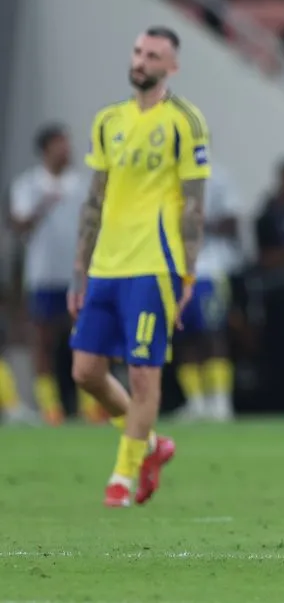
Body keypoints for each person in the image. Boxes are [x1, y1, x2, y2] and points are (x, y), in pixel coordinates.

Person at [68, 26, 211, 508]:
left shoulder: (185, 121)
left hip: (156, 265)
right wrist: (79, 269)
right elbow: (95, 198)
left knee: (143, 373)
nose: (141, 60)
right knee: (85, 371)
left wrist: (187, 274)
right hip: (107, 264)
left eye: (153, 55)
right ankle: (150, 445)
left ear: (171, 66)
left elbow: (194, 205)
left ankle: (122, 478)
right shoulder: (109, 121)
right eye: (137, 51)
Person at [8, 125, 103, 425]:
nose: (67, 150)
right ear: (46, 149)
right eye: (60, 144)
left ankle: (90, 404)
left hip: (76, 275)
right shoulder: (29, 184)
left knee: (84, 339)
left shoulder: (81, 184)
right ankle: (51, 408)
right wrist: (43, 204)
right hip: (43, 276)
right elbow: (19, 225)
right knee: (43, 341)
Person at [175, 165, 240, 422]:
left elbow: (233, 221)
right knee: (184, 336)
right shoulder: (168, 179)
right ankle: (197, 402)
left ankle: (221, 401)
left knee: (212, 334)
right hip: (177, 269)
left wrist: (200, 223)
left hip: (210, 269)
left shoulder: (218, 178)